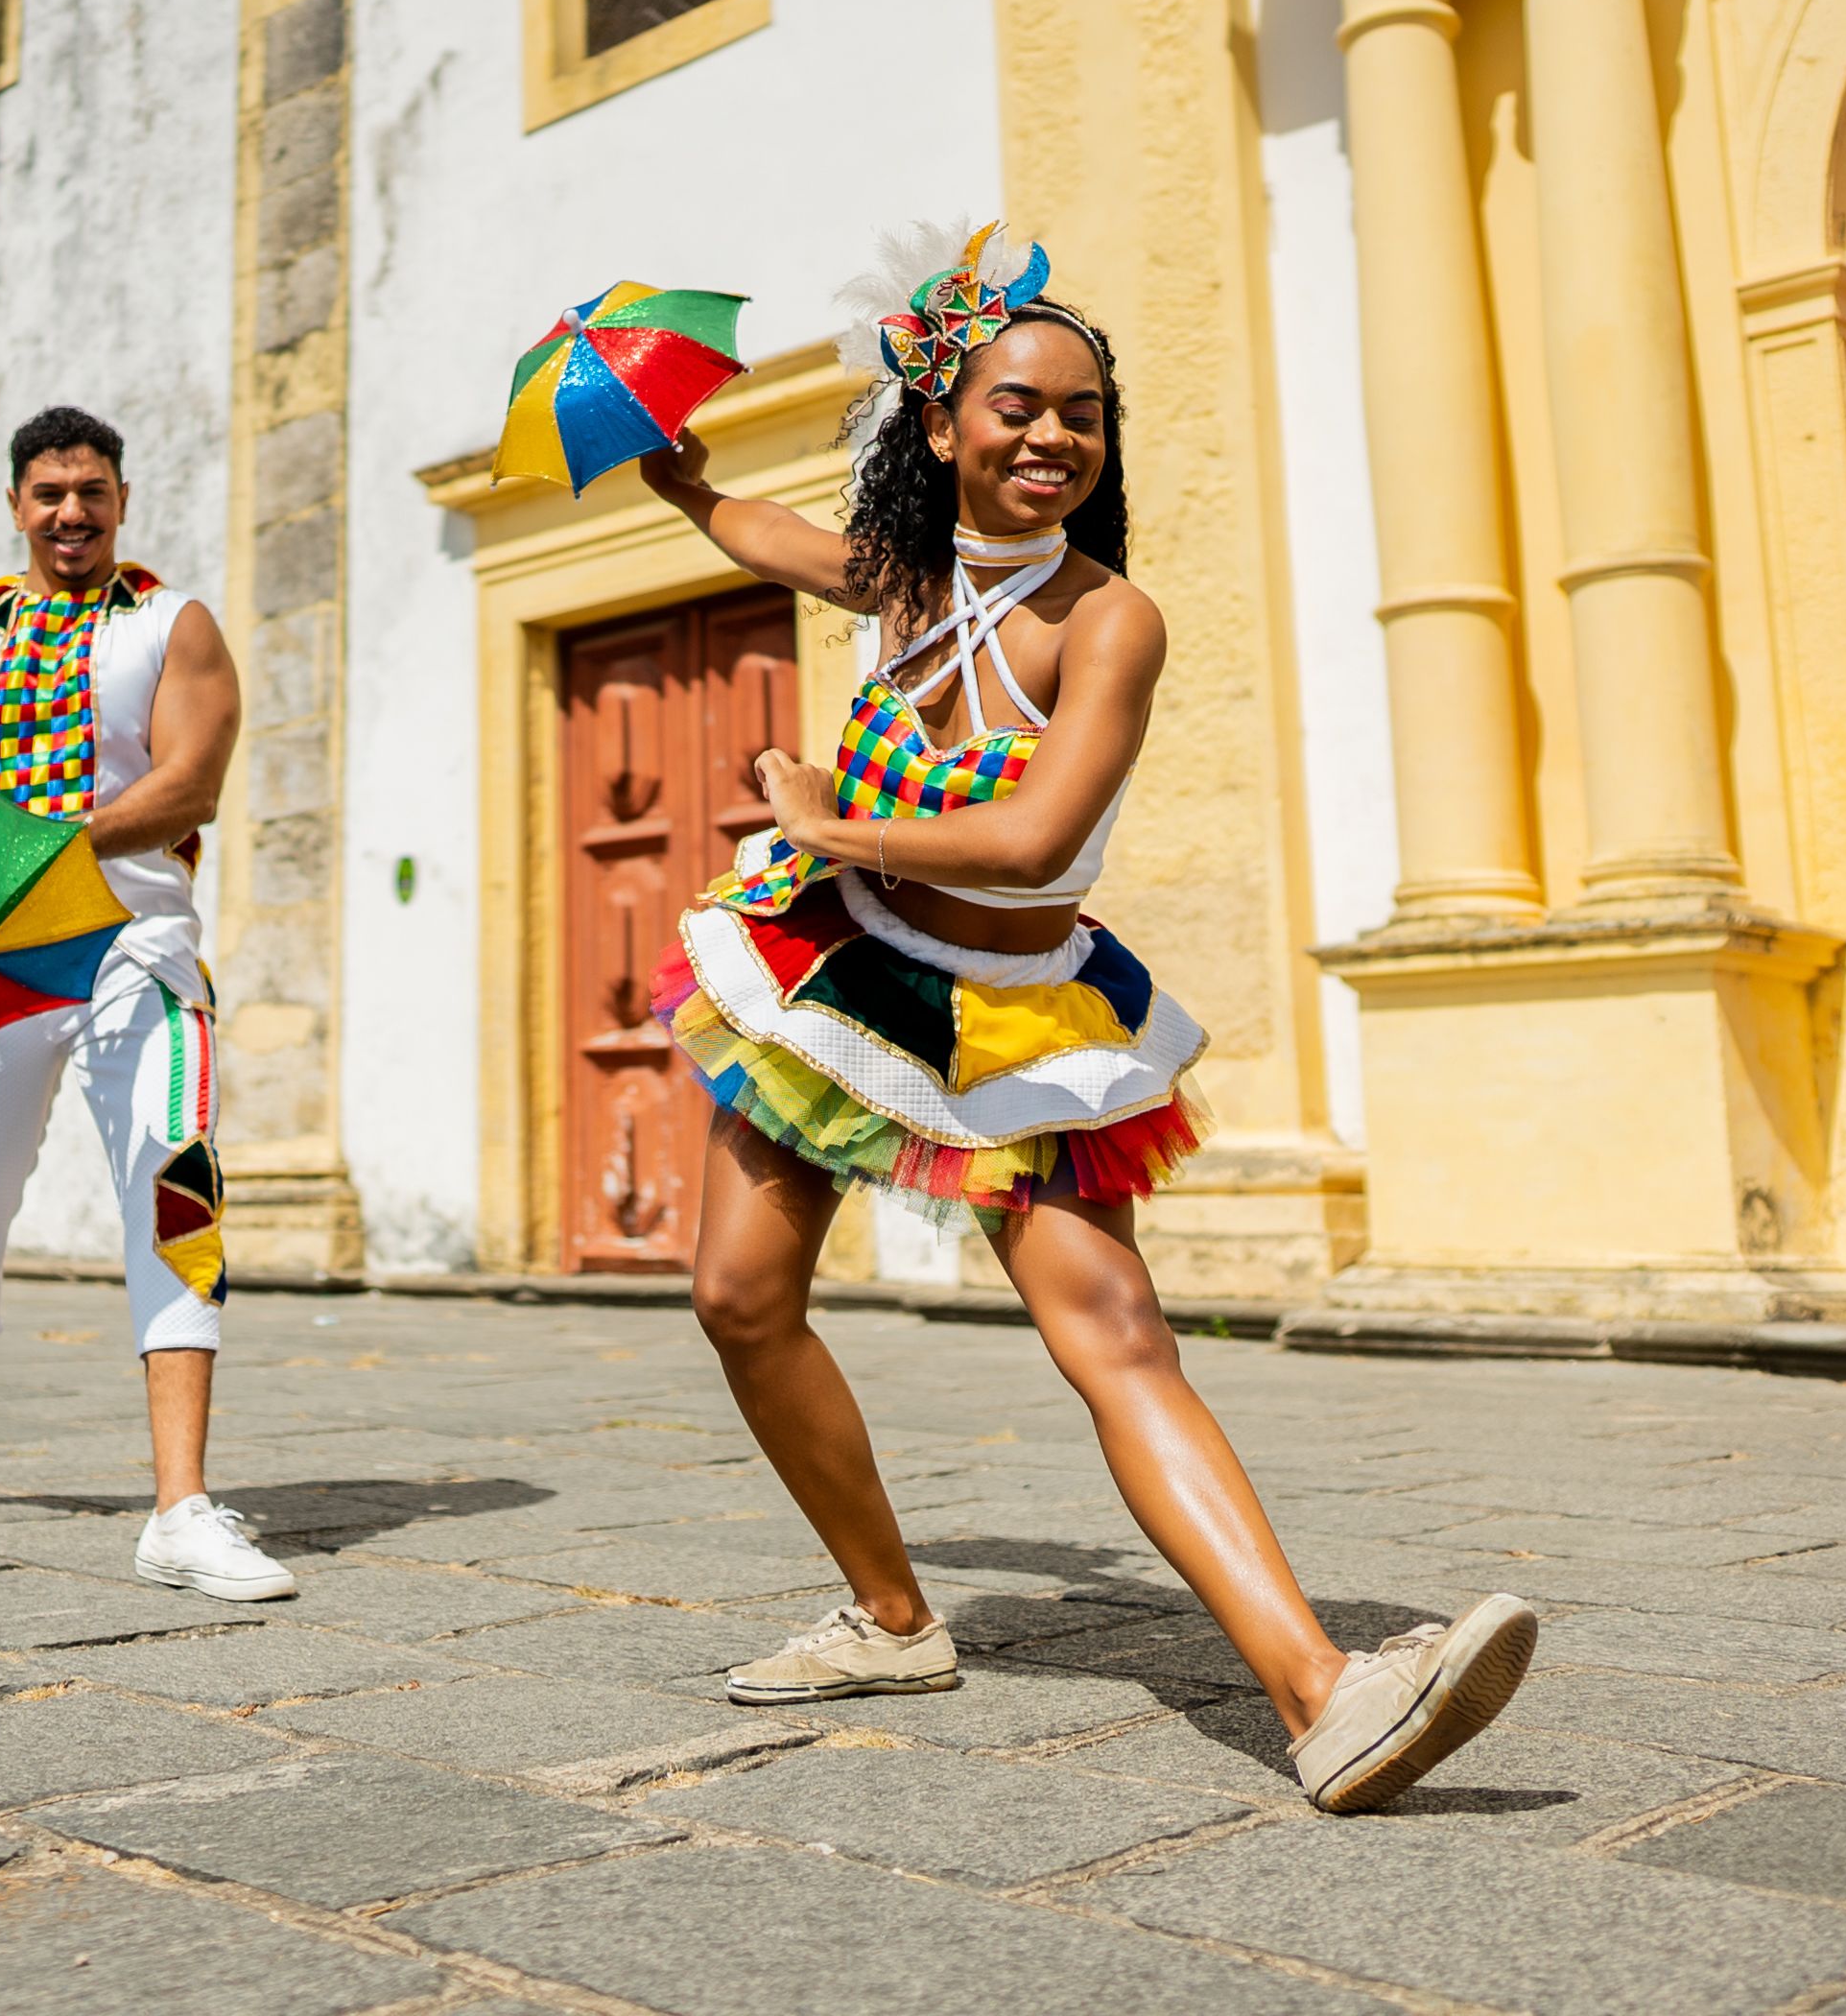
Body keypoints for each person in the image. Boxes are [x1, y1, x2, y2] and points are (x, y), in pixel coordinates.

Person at [633, 224, 1534, 1815]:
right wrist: (687, 489)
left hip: (1019, 1022)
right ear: (938, 425)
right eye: (1018, 404)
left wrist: (827, 819)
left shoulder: (1110, 618)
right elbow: (774, 539)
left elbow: (1035, 840)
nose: (1054, 434)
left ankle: (1325, 1693)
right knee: (739, 1297)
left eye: (1084, 412)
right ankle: (892, 1619)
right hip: (842, 972)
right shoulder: (902, 580)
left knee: (1114, 1333)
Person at [0, 404, 296, 1604]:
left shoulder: (171, 625)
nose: (71, 513)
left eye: (91, 492)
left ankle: (179, 1509)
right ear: (16, 505)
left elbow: (188, 784)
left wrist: (43, 851)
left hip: (136, 942)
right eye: (49, 494)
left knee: (175, 1177)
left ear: (121, 501)